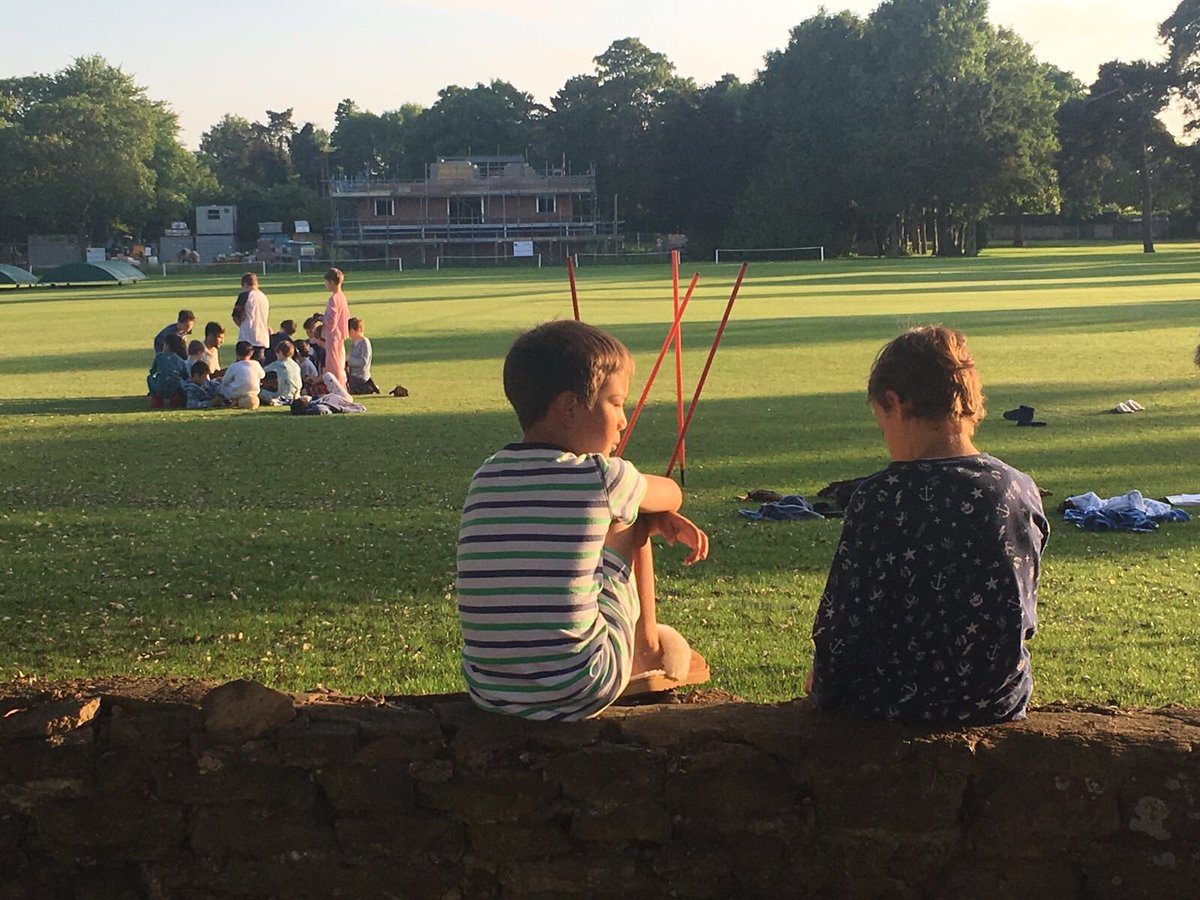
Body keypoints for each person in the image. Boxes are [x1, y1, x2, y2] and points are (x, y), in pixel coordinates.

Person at [456, 319, 711, 721]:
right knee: (632, 517)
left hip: (490, 687)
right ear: (569, 408)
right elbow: (671, 492)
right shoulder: (601, 477)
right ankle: (645, 655)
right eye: (615, 403)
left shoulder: (486, 475)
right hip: (586, 681)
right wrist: (656, 513)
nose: (623, 420)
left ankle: (633, 646)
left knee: (623, 507)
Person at [806, 325, 1049, 726]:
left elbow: (841, 625)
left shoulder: (879, 499)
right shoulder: (1018, 490)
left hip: (885, 704)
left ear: (894, 402)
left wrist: (825, 684)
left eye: (882, 422)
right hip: (992, 702)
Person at [322, 268, 350, 387]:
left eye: (326, 282)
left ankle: (339, 389)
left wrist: (321, 318)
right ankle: (342, 387)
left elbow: (331, 321)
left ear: (332, 282)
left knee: (333, 366)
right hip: (340, 335)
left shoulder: (333, 299)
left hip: (333, 336)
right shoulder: (342, 297)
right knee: (339, 363)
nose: (325, 285)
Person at [146, 333, 190, 408]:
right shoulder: (180, 361)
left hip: (160, 388)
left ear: (167, 345)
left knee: (149, 378)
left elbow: (152, 371)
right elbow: (186, 376)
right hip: (176, 389)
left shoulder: (159, 356)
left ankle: (156, 399)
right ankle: (176, 400)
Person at [235, 272, 271, 362]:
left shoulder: (245, 296)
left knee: (242, 369)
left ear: (245, 284)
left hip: (247, 338)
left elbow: (235, 316)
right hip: (262, 339)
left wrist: (242, 325)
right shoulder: (264, 297)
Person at [221, 340, 266, 410]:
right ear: (251, 353)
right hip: (254, 391)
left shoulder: (234, 366)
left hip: (237, 393)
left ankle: (233, 400)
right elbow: (262, 375)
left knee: (221, 386)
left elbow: (225, 381)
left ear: (236, 353)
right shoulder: (256, 364)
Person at [261, 339, 303, 405]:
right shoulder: (296, 365)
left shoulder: (278, 364)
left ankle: (278, 401)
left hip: (282, 396)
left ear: (280, 352)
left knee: (259, 392)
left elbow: (262, 371)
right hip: (296, 395)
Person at [346, 316, 380, 394]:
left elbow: (363, 362)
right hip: (352, 375)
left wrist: (349, 359)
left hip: (360, 377)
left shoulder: (364, 342)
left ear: (355, 330)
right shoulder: (353, 344)